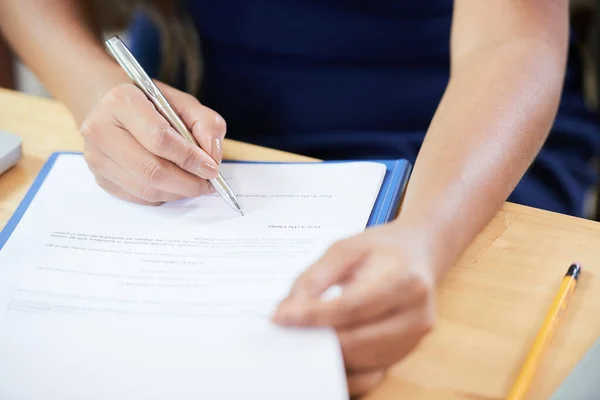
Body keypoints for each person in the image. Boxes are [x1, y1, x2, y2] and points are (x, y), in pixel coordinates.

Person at [1, 0, 599, 395]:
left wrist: (424, 235)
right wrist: (101, 95)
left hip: (469, 146)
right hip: (204, 111)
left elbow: (511, 41)